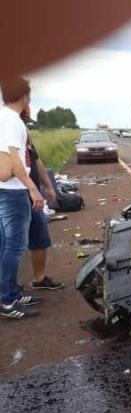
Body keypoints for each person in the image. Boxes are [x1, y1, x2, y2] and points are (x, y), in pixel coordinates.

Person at [0, 77, 45, 319]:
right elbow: (16, 161)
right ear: (25, 96)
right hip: (13, 191)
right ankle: (7, 301)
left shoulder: (2, 117)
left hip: (4, 189)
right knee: (14, 247)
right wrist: (33, 188)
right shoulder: (12, 121)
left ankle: (11, 292)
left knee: (5, 245)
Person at [21, 109, 65, 290]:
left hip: (32, 194)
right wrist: (32, 188)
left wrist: (48, 186)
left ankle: (40, 278)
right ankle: (8, 289)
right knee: (12, 243)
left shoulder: (24, 135)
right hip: (15, 194)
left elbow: (36, 160)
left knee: (39, 236)